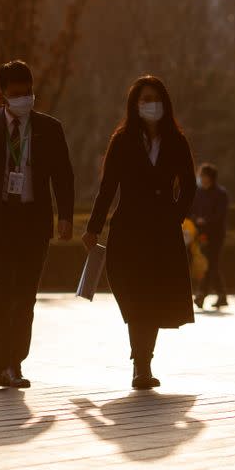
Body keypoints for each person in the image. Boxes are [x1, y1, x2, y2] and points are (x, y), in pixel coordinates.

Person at [0, 60, 74, 389]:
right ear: (2, 95)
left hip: (33, 222)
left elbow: (63, 175)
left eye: (28, 93)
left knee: (24, 295)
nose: (24, 99)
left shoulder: (49, 128)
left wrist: (65, 215)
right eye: (16, 94)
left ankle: (15, 364)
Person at [82, 75, 196, 390]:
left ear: (165, 103)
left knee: (152, 296)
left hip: (161, 231)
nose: (150, 105)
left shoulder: (176, 140)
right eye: (144, 99)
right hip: (128, 229)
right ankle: (140, 356)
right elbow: (107, 188)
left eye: (155, 98)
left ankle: (142, 364)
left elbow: (188, 186)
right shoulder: (122, 140)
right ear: (135, 105)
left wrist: (175, 215)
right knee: (131, 293)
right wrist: (93, 226)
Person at [190, 163, 230, 309]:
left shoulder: (221, 194)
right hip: (201, 234)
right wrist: (196, 220)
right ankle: (220, 295)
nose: (202, 178)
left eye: (204, 176)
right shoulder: (198, 193)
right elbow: (191, 210)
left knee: (211, 263)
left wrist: (206, 220)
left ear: (211, 178)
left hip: (216, 235)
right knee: (210, 264)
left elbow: (220, 215)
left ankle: (202, 294)